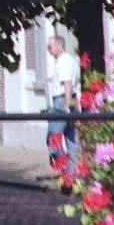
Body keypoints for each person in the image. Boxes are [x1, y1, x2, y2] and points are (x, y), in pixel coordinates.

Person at [44, 33, 80, 161]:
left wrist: (66, 104)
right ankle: (73, 174)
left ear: (58, 46)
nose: (48, 50)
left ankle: (62, 165)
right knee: (71, 138)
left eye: (49, 46)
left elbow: (67, 83)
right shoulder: (71, 61)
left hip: (62, 100)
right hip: (71, 99)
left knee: (53, 137)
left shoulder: (63, 62)